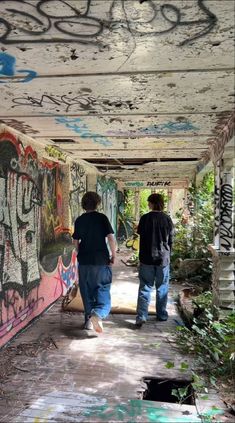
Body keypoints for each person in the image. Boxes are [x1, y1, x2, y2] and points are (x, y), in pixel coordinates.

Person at [72, 191, 116, 333]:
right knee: (102, 289)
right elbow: (110, 238)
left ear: (84, 204)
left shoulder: (79, 220)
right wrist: (113, 254)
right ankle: (98, 313)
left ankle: (88, 322)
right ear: (97, 203)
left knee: (86, 292)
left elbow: (75, 241)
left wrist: (79, 253)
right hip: (100, 260)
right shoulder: (102, 218)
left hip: (84, 261)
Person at [136, 193, 174, 327]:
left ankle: (141, 316)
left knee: (145, 287)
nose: (148, 205)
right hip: (163, 259)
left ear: (151, 204)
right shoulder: (167, 219)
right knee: (162, 287)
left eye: (148, 203)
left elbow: (141, 235)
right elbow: (170, 241)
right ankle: (161, 315)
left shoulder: (145, 218)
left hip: (146, 258)